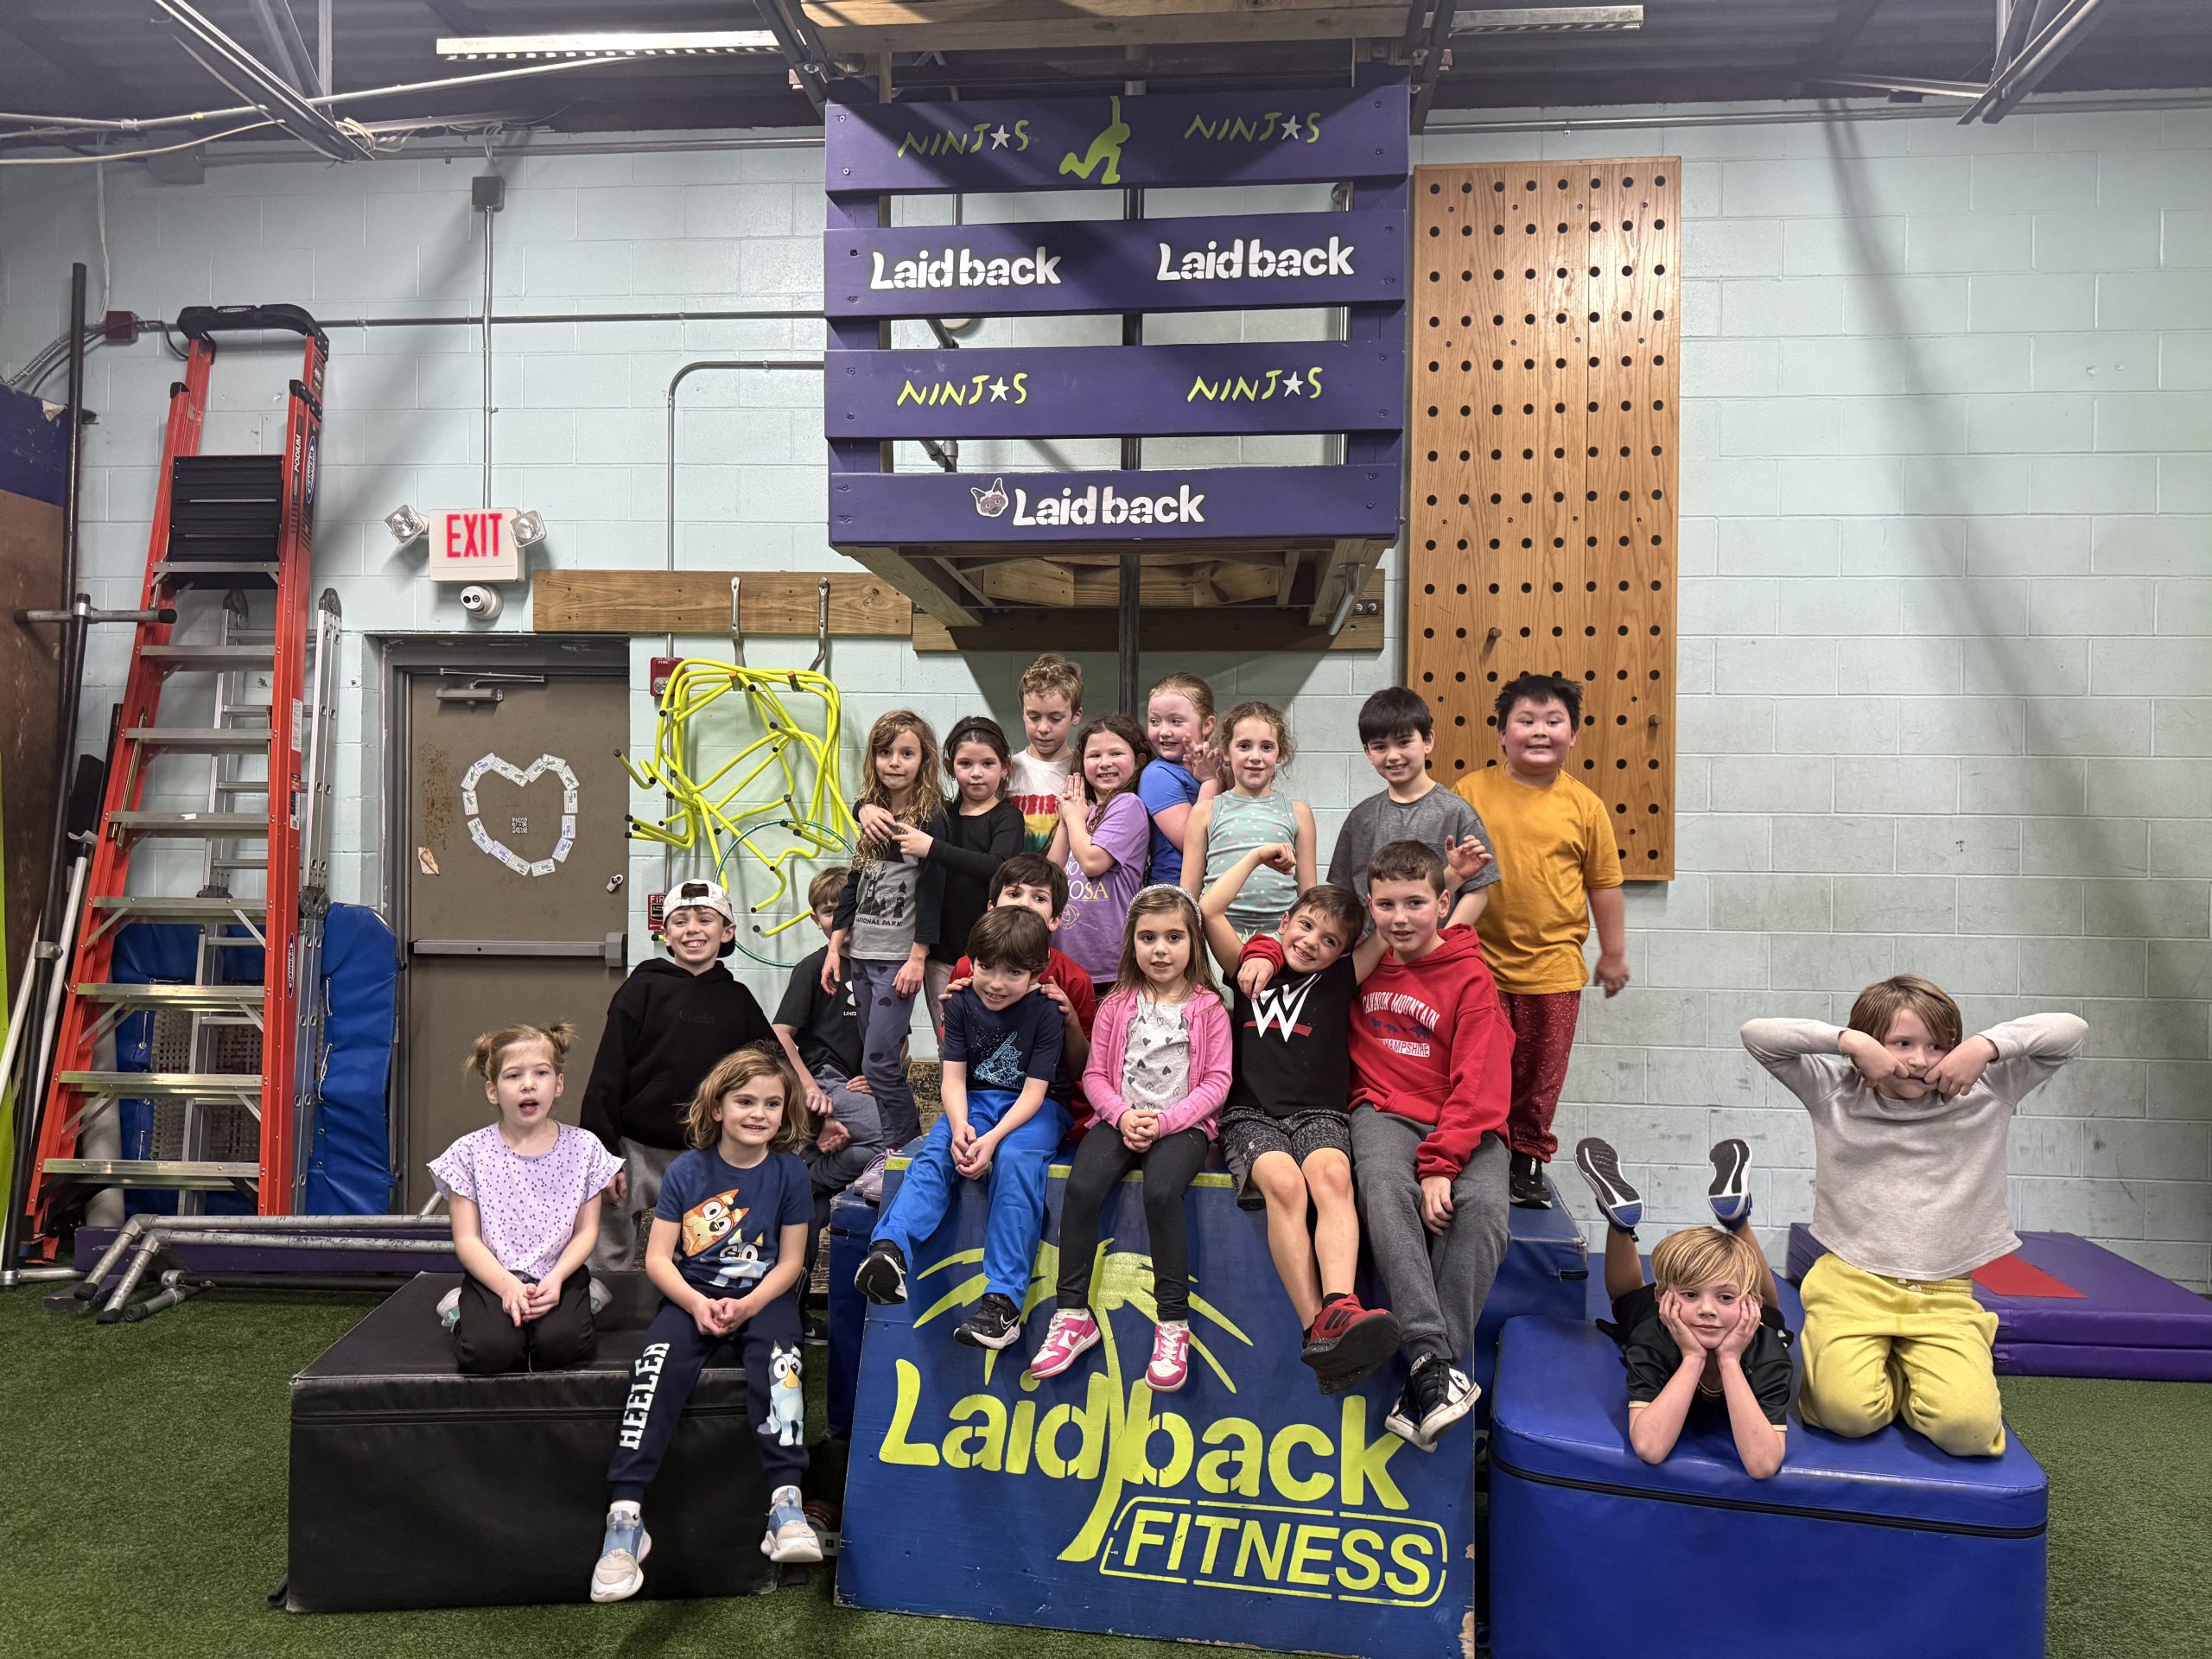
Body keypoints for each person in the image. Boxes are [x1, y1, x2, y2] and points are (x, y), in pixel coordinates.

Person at [1745, 980, 2087, 1458]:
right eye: (1902, 1044)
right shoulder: (1835, 1091)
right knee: (1847, 1416)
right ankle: (1884, 1365)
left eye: (1936, 1046)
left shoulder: (1988, 1088)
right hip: (1852, 1284)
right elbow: (1757, 1034)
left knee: (1966, 1431)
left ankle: (1921, 1366)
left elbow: (2071, 1030)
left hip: (1942, 1294)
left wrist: (1984, 1048)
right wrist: (1850, 1041)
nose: (1921, 1060)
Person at [1291, 837, 1513, 1451]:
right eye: (1386, 904)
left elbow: (1483, 1083)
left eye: (1416, 903)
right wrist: (1259, 946)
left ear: (1444, 903)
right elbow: (1290, 951)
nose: (1401, 918)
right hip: (1384, 1110)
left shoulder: (1471, 978)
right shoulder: (1363, 965)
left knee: (1485, 1213)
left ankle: (1426, 1372)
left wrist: (1443, 1164)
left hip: (1463, 1121)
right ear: (1371, 904)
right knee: (1386, 1190)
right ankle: (1432, 1368)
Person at [591, 1046, 821, 1602]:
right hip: (691, 1297)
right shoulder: (688, 1171)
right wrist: (697, 1304)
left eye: (772, 1103)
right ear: (717, 1107)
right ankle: (625, 1520)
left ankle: (785, 1505)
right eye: (745, 1101)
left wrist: (748, 1305)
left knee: (783, 1364)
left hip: (763, 1299)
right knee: (653, 1370)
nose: (759, 1113)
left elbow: (791, 1263)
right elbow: (657, 1259)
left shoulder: (790, 1173)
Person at [1198, 844, 1400, 1392]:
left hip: (1319, 1110)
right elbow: (1209, 910)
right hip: (1251, 1115)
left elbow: (1387, 926)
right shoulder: (1246, 966)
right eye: (1305, 926)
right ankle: (1318, 1328)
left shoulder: (1340, 979)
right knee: (1286, 1186)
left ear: (1343, 953)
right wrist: (1259, 857)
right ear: (1285, 921)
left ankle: (1341, 1304)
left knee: (1333, 1177)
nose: (1311, 942)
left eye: (1329, 940)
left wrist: (1449, 877)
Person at [1029, 887, 1232, 1392]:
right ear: (1131, 943)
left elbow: (1217, 1082)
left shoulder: (1208, 1008)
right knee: (1081, 1188)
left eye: (1173, 937)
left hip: (1181, 1127)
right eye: (1147, 938)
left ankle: (1172, 1325)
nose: (1160, 949)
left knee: (1162, 1192)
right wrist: (1121, 1116)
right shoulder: (1117, 1004)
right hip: (1119, 1120)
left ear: (1193, 943)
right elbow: (1096, 1075)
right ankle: (1073, 1315)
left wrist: (1165, 1123)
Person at [1452, 671, 1629, 1209]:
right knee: (1479, 1066)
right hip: (1478, 962)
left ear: (1573, 735)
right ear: (1502, 733)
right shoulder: (1470, 792)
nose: (1539, 731)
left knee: (1539, 1073)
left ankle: (1526, 1157)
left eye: (1554, 722)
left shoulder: (1585, 805)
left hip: (1553, 968)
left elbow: (1604, 884)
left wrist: (1614, 953)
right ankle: (1478, 1151)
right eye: (1525, 721)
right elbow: (1448, 872)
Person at [856, 905, 1068, 1351]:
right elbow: (952, 1078)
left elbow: (1034, 1094)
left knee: (1015, 1160)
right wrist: (958, 1128)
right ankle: (890, 1251)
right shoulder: (961, 1002)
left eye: (1012, 972)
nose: (995, 982)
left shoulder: (1046, 1012)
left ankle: (1003, 1302)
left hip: (1035, 1109)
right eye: (986, 967)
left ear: (1037, 971)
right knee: (934, 1154)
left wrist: (990, 1140)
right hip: (973, 1102)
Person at [581, 878, 775, 1273]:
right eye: (680, 921)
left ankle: (690, 1318)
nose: (692, 930)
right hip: (635, 1148)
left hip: (705, 1151)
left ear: (728, 932)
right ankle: (595, 1312)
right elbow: (607, 1072)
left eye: (705, 919)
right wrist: (601, 1157)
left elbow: (772, 1070)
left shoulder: (738, 1000)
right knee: (605, 1240)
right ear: (666, 935)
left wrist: (813, 1105)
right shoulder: (641, 988)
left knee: (703, 1253)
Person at [1573, 1136, 1790, 1477]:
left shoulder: (1765, 1347)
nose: (1707, 1309)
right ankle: (1736, 1220)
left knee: (1769, 1313)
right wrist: (1693, 1358)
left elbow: (1763, 1464)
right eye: (1691, 1294)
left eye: (1725, 1297)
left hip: (1741, 1324)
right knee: (1628, 1303)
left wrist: (1730, 1360)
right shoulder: (1654, 1334)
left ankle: (1622, 1227)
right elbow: (1650, 1447)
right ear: (1664, 1297)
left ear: (1749, 1305)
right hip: (1673, 1324)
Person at [430, 1020, 620, 1375]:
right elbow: (468, 1239)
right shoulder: (470, 1152)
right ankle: (461, 1309)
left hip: (559, 1273)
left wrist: (557, 1279)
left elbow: (586, 1232)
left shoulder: (585, 1148)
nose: (528, 1084)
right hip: (496, 1273)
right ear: (493, 1090)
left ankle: (587, 1297)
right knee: (488, 1353)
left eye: (541, 1073)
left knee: (564, 1346)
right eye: (513, 1076)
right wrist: (506, 1287)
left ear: (558, 1084)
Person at [826, 709, 950, 1151]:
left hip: (898, 958)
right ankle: (890, 1144)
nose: (894, 762)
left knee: (877, 1064)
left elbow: (934, 893)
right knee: (881, 1061)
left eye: (906, 753)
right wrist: (835, 946)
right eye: (885, 752)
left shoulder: (930, 817)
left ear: (924, 760)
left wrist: (918, 956)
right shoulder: (871, 816)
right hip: (862, 953)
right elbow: (856, 882)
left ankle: (900, 1146)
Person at [938, 852, 1098, 1141]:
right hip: (980, 1099)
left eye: (1039, 898)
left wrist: (1071, 1021)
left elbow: (1082, 1069)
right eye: (1014, 893)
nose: (1025, 903)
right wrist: (950, 1017)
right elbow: (951, 1052)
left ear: (1055, 920)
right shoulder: (969, 966)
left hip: (1048, 1105)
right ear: (991, 907)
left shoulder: (1074, 978)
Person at [771, 868, 886, 1265]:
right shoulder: (813, 967)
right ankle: (801, 1179)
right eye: (828, 912)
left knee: (889, 1143)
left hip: (863, 1084)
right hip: (824, 1078)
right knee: (888, 1136)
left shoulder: (880, 969)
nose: (840, 920)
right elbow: (781, 1033)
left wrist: (880, 1075)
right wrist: (808, 1089)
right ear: (815, 920)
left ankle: (808, 1181)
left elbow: (897, 1039)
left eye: (849, 909)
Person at [1330, 684, 1501, 929]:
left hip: (1436, 957)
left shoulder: (1457, 813)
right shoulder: (1360, 818)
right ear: (1367, 752)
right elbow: (1345, 895)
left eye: (1403, 742)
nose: (1392, 756)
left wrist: (1442, 946)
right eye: (1380, 747)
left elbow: (1478, 891)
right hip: (1373, 957)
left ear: (1428, 741)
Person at [1180, 702, 1315, 943]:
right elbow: (1188, 893)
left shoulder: (1298, 812)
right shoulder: (1205, 811)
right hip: (1218, 935)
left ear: (1280, 754)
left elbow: (1309, 896)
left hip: (1279, 936)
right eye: (1244, 746)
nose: (1255, 757)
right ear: (1225, 751)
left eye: (1266, 747)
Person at [1050, 713, 1154, 996]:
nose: (1105, 763)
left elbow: (1093, 862)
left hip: (1107, 964)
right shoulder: (1081, 811)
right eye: (1095, 755)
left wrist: (1072, 818)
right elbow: (1050, 874)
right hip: (1064, 957)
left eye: (1116, 753)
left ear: (1139, 761)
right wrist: (1067, 817)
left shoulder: (1128, 805)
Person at [1138, 671, 1217, 889]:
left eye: (1175, 721)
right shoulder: (1157, 775)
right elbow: (1191, 842)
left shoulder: (1214, 765)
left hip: (1213, 887)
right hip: (1173, 893)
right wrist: (1210, 781)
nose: (1164, 731)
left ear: (1207, 725)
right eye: (1155, 721)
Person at [1008, 652, 1084, 855]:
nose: (1043, 728)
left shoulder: (1085, 770)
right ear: (1023, 712)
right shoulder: (1008, 769)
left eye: (1055, 718)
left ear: (1076, 716)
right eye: (1033, 717)